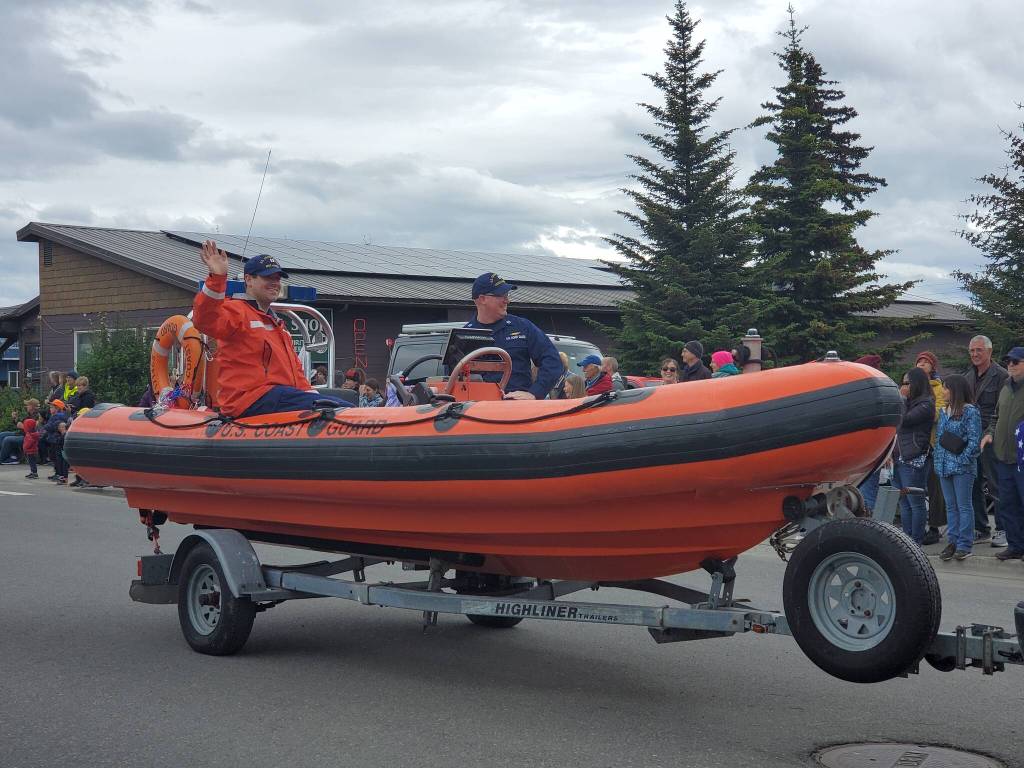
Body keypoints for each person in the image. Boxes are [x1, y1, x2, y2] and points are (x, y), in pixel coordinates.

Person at [192, 241, 348, 418]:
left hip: (276, 398)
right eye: (268, 278)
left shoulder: (278, 326)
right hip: (251, 400)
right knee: (342, 409)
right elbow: (205, 319)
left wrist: (309, 394)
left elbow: (295, 371)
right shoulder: (237, 311)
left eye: (277, 278)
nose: (275, 283)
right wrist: (217, 277)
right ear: (249, 280)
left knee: (342, 405)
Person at [464, 272, 562, 400]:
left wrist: (534, 393)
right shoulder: (465, 335)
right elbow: (453, 377)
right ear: (482, 299)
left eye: (507, 295)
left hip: (517, 410)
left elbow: (553, 361)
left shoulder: (522, 327)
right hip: (478, 411)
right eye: (501, 295)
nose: (507, 300)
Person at [964, 335, 1009, 546]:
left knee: (996, 485)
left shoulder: (1001, 376)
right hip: (971, 439)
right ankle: (981, 528)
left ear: (989, 352)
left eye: (979, 350)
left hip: (992, 439)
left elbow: (1002, 411)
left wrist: (990, 433)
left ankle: (1003, 530)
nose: (974, 354)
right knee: (973, 483)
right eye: (972, 350)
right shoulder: (967, 377)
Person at [981, 346, 1024, 561]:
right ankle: (1016, 545)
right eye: (1008, 362)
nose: (1011, 365)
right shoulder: (1006, 387)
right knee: (1007, 503)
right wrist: (990, 433)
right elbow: (995, 416)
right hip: (1003, 457)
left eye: (1016, 362)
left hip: (1022, 459)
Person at [933, 374, 981, 561]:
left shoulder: (970, 411)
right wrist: (939, 461)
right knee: (951, 507)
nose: (943, 391)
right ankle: (952, 542)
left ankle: (965, 544)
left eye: (946, 388)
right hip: (944, 466)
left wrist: (961, 460)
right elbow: (939, 438)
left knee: (963, 506)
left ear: (956, 390)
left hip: (962, 468)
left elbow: (974, 440)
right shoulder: (945, 411)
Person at [892, 367, 935, 544]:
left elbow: (905, 420)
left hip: (914, 458)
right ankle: (906, 540)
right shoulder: (909, 402)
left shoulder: (926, 404)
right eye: (902, 383)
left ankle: (916, 541)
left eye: (907, 383)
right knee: (903, 503)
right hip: (900, 457)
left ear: (917, 383)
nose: (904, 387)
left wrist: (900, 398)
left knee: (916, 503)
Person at [916, 351, 947, 545]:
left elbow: (940, 412)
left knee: (935, 488)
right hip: (914, 445)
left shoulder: (938, 387)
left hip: (933, 444)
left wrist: (920, 412)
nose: (921, 364)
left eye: (925, 362)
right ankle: (915, 526)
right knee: (915, 486)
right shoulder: (910, 387)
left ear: (932, 367)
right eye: (919, 361)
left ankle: (934, 527)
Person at [854, 355, 887, 513]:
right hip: (865, 454)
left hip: (869, 455)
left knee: (867, 495)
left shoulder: (872, 395)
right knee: (863, 494)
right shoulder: (879, 392)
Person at [0, 399, 41, 464]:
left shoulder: (38, 416)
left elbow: (34, 430)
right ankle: (12, 456)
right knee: (2, 434)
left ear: (32, 406)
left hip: (27, 437)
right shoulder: (28, 415)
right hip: (21, 433)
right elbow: (19, 424)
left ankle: (2, 459)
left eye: (28, 405)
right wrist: (15, 419)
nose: (26, 406)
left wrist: (23, 427)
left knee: (7, 439)